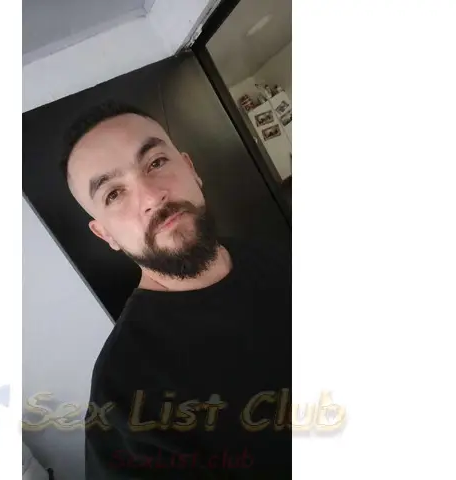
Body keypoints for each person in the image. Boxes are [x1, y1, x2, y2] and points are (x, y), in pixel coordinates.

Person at [60, 101, 291, 479]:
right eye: (114, 194)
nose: (152, 198)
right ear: (105, 234)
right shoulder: (124, 396)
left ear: (191, 168)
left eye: (155, 163)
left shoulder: (275, 254)